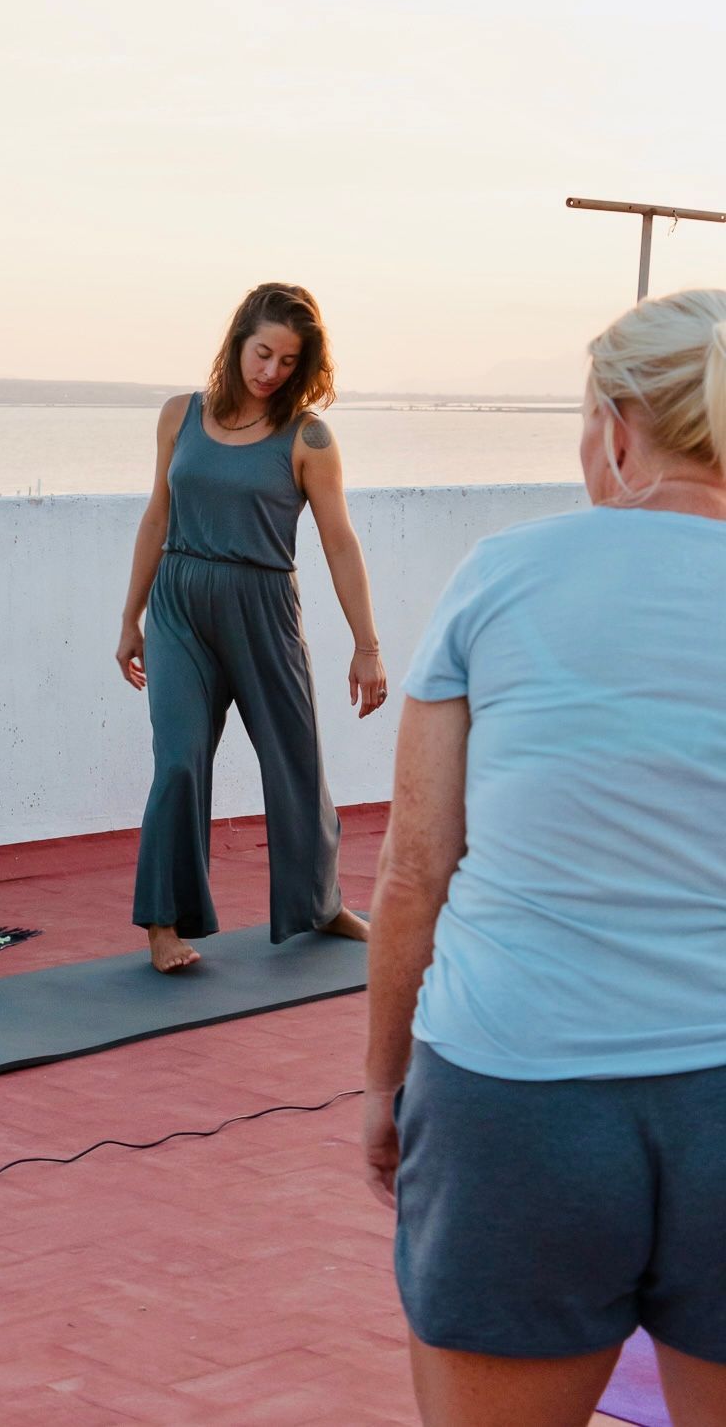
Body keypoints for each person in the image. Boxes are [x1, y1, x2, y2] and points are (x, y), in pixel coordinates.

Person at [363, 288, 726, 1427]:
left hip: (517, 1101)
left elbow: (414, 874)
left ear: (618, 427)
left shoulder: (503, 575)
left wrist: (384, 1087)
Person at [116, 282, 387, 973]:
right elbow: (156, 516)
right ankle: (163, 924)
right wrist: (131, 616)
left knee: (295, 761)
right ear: (238, 341)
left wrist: (367, 645)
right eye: (262, 353)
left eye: (288, 361)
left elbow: (339, 542)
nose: (270, 371)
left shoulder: (309, 436)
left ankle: (320, 904)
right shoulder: (180, 414)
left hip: (264, 607)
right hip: (180, 604)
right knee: (178, 758)